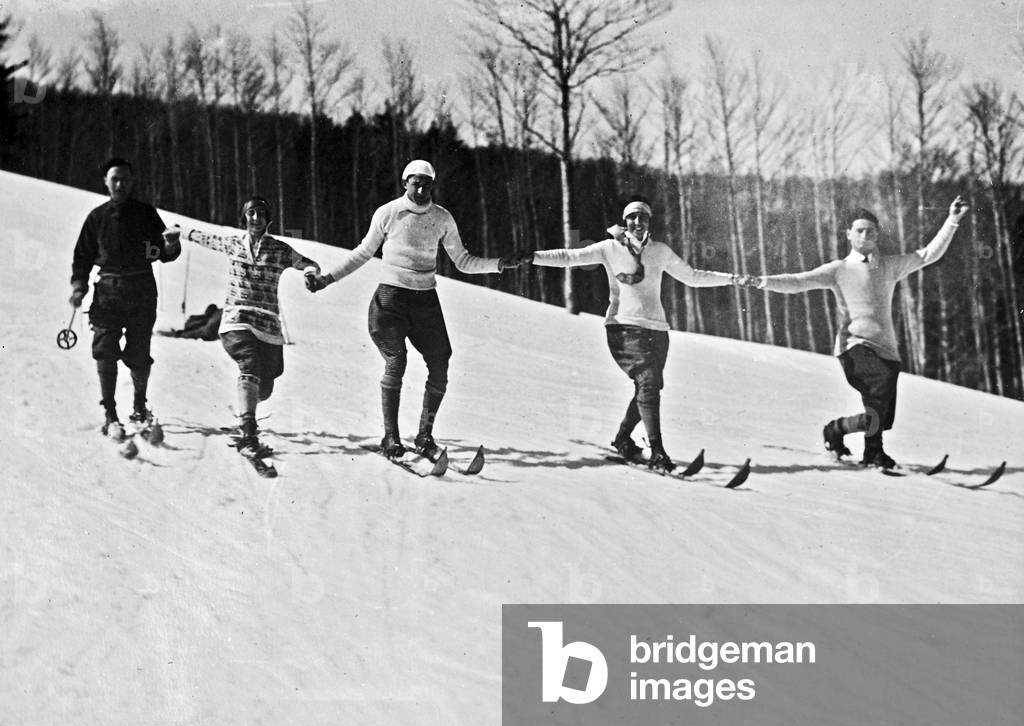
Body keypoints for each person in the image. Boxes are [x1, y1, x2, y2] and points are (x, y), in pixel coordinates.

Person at [305, 160, 521, 459]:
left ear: (432, 186)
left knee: (441, 361)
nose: (420, 189)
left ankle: (424, 436)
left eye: (426, 184)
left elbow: (463, 261)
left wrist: (498, 264)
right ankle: (391, 438)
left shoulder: (442, 218)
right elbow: (363, 253)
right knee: (397, 361)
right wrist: (327, 279)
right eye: (415, 183)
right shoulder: (389, 213)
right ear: (405, 182)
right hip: (390, 300)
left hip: (425, 302)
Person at [742, 195, 969, 468]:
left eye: (870, 230)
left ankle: (835, 430)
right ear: (848, 234)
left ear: (877, 234)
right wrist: (761, 282)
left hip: (887, 350)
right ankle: (874, 454)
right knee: (879, 384)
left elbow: (928, 255)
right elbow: (798, 281)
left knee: (881, 418)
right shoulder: (838, 269)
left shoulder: (889, 265)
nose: (865, 234)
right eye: (859, 230)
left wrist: (952, 221)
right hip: (853, 348)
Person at [522, 196, 743, 472]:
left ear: (650, 222)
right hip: (623, 326)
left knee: (649, 387)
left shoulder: (660, 251)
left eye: (643, 217)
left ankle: (623, 438)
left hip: (658, 330)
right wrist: (531, 257)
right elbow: (570, 256)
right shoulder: (609, 248)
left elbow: (694, 277)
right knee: (648, 384)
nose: (638, 222)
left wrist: (731, 279)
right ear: (625, 221)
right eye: (632, 217)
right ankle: (658, 451)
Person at [178, 196, 323, 457]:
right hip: (237, 320)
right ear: (243, 217)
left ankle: (248, 408)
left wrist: (310, 275)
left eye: (261, 213)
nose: (256, 218)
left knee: (266, 384)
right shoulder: (233, 244)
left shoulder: (279, 250)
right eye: (251, 213)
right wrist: (181, 231)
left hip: (268, 326)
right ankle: (248, 428)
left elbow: (310, 263)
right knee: (249, 361)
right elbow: (204, 237)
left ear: (269, 219)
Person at [70, 157, 182, 437]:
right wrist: (78, 286)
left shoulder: (146, 214)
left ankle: (139, 406)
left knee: (138, 354)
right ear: (106, 182)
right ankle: (110, 414)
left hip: (141, 292)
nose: (120, 184)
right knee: (104, 351)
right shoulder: (97, 218)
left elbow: (161, 253)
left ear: (132, 182)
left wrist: (170, 245)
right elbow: (82, 256)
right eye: (115, 179)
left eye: (125, 179)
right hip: (107, 293)